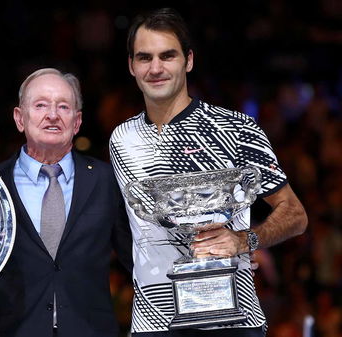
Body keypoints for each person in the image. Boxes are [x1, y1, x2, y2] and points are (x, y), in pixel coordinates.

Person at [109, 8, 308, 337]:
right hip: (154, 323)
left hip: (234, 319)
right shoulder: (121, 139)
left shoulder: (237, 128)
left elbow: (295, 214)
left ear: (188, 60)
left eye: (167, 56)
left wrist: (245, 241)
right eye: (144, 58)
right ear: (131, 66)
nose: (155, 68)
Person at [0, 68, 133, 337]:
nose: (52, 115)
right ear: (20, 118)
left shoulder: (106, 180)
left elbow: (136, 259)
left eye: (63, 107)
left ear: (77, 122)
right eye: (40, 105)